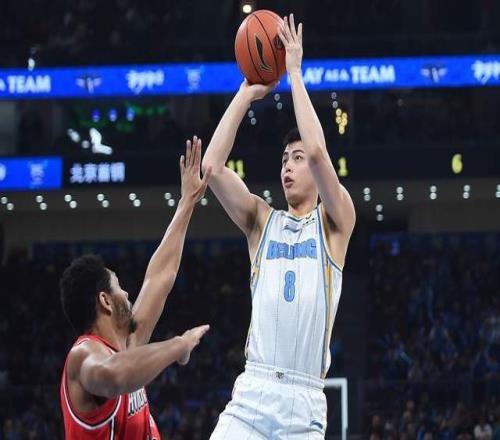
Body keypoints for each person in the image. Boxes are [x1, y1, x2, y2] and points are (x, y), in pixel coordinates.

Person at [203, 14, 356, 439]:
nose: (288, 166)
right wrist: (244, 93)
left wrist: (294, 74)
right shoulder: (261, 221)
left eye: (297, 158)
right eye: (284, 159)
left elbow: (320, 154)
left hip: (303, 405)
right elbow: (212, 168)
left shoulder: (335, 222)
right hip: (252, 393)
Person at [59, 136, 211, 439]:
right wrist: (178, 345)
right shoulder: (82, 356)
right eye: (119, 286)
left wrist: (187, 201)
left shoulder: (127, 345)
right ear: (105, 300)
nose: (127, 293)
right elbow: (115, 375)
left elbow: (160, 275)